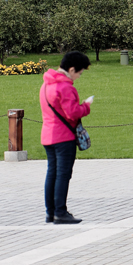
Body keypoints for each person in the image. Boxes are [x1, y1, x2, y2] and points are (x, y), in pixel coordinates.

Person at [40, 50, 94, 224]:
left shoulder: (46, 84)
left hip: (48, 134)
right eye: (79, 73)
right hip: (64, 136)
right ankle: (60, 212)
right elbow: (73, 113)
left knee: (52, 173)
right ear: (71, 70)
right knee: (63, 175)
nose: (79, 76)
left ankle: (51, 212)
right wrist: (86, 106)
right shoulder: (65, 87)